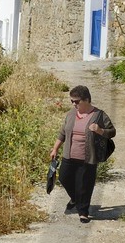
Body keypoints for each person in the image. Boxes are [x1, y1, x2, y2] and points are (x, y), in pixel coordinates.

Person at [48, 84, 116, 224]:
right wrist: (55, 149)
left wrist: (100, 130)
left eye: (76, 101)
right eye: (71, 101)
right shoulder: (71, 114)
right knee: (64, 178)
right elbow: (62, 133)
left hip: (88, 157)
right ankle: (75, 198)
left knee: (84, 184)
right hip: (69, 155)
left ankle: (83, 212)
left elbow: (112, 132)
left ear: (86, 100)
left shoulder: (99, 115)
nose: (74, 104)